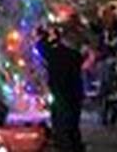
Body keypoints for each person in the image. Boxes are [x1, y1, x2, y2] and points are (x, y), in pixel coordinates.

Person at [38, 23, 85, 151]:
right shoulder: (74, 55)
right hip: (73, 93)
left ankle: (66, 146)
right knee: (72, 126)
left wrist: (44, 35)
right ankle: (74, 146)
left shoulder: (51, 54)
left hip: (59, 93)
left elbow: (40, 47)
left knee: (60, 125)